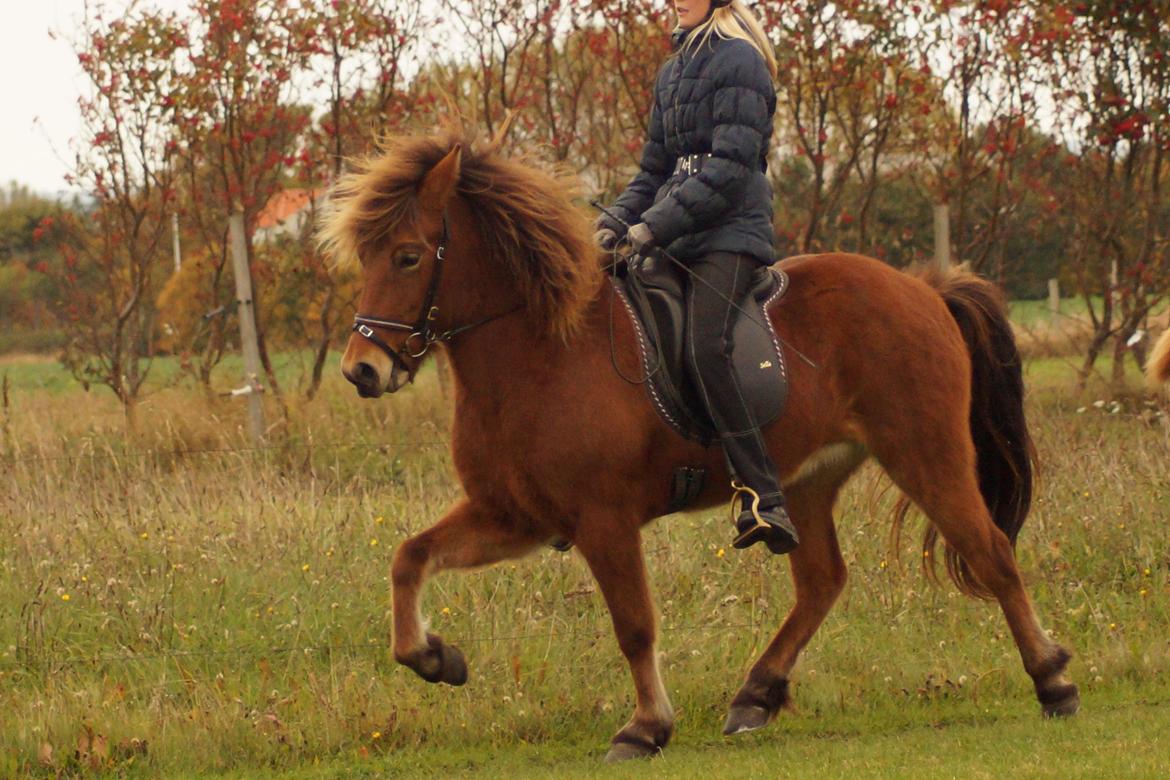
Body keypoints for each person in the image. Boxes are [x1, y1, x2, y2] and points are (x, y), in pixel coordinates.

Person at [595, 0, 798, 555]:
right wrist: (613, 225)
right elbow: (653, 172)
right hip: (678, 233)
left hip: (731, 234)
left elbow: (731, 167)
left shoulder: (741, 61)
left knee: (707, 345)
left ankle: (764, 497)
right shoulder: (673, 70)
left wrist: (655, 225)